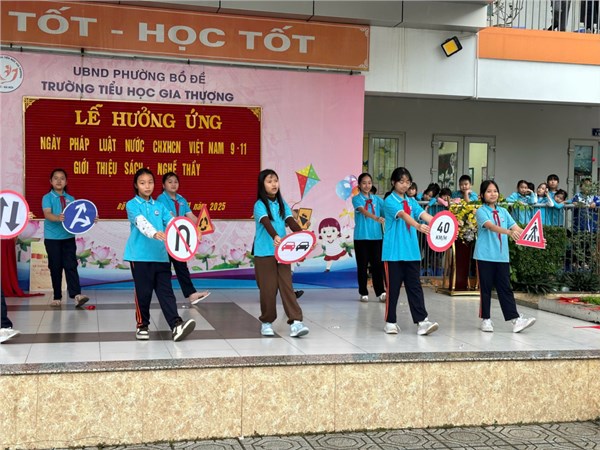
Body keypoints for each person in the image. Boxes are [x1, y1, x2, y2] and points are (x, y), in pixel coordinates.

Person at [124, 168, 196, 341]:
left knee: (166, 292)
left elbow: (174, 224)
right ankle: (142, 325)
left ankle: (176, 324)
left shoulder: (160, 206)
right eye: (142, 183)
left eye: (150, 182)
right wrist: (154, 233)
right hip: (139, 257)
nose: (147, 186)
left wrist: (192, 234)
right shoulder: (132, 204)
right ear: (136, 185)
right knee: (143, 292)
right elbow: (140, 222)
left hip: (161, 256)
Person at [381, 167, 439, 336]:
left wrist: (442, 225)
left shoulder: (411, 201)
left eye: (408, 182)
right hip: (394, 253)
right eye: (401, 181)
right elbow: (403, 215)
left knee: (415, 287)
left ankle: (422, 321)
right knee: (393, 288)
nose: (405, 185)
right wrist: (418, 226)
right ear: (393, 182)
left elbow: (423, 215)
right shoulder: (389, 201)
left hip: (411, 252)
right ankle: (390, 322)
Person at [474, 180, 536, 333]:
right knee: (485, 289)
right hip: (485, 256)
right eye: (489, 191)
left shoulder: (503, 211)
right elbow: (490, 226)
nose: (493, 194)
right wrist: (508, 232)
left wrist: (536, 238)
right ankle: (486, 319)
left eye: (495, 191)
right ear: (482, 195)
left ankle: (515, 320)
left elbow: (517, 228)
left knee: (505, 288)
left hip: (502, 257)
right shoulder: (481, 211)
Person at [253, 169, 309, 338]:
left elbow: (291, 221)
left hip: (283, 253)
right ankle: (267, 322)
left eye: (275, 180)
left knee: (287, 286)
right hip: (264, 253)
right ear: (262, 185)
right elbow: (265, 222)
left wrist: (304, 237)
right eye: (269, 181)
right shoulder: (259, 205)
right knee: (268, 289)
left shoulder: (282, 203)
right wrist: (275, 236)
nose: (274, 184)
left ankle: (296, 322)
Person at [156, 172, 210, 305]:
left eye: (176, 181)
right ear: (163, 185)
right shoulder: (161, 199)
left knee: (182, 267)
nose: (173, 184)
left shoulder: (182, 200)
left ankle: (191, 294)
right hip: (165, 239)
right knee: (164, 269)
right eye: (170, 182)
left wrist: (202, 226)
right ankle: (165, 296)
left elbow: (191, 216)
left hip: (178, 240)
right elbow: (169, 218)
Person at [42, 168, 92, 308]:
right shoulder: (47, 198)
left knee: (71, 266)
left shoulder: (71, 199)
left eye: (62, 178)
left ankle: (77, 295)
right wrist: (58, 218)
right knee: (55, 267)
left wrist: (91, 219)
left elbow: (79, 216)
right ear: (51, 181)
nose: (59, 181)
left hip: (68, 237)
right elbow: (47, 214)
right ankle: (57, 296)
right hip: (52, 239)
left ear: (66, 182)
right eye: (56, 178)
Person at [352, 172, 386, 303]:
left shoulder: (377, 199)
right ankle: (363, 292)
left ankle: (380, 292)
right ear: (359, 185)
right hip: (361, 238)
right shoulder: (356, 199)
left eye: (369, 183)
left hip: (376, 237)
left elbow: (386, 211)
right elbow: (363, 211)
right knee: (362, 266)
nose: (367, 185)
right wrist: (376, 217)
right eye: (364, 183)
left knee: (378, 265)